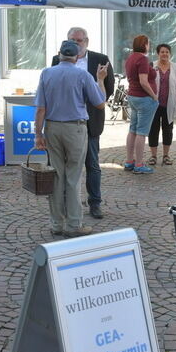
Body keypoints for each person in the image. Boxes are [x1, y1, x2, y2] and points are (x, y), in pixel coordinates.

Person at [36, 40, 108, 237]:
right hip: (75, 129)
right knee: (73, 177)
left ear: (59, 54)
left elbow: (40, 108)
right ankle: (74, 224)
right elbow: (100, 104)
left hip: (52, 127)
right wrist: (100, 79)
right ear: (76, 57)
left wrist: (38, 135)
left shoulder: (47, 73)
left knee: (56, 176)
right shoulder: (82, 74)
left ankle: (57, 223)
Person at [50, 27, 114, 219]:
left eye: (79, 40)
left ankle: (95, 202)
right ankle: (65, 203)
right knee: (63, 166)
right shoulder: (57, 59)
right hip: (66, 120)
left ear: (87, 41)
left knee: (92, 164)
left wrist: (93, 96)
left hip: (91, 118)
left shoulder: (101, 58)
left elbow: (108, 89)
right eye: (72, 40)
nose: (76, 43)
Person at [123, 34, 158, 174]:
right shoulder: (143, 59)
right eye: (148, 43)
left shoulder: (130, 58)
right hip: (144, 98)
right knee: (141, 133)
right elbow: (143, 81)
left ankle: (129, 161)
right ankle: (138, 164)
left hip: (133, 96)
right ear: (144, 45)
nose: (149, 45)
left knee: (133, 130)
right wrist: (154, 96)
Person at [147, 43, 176, 166]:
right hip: (154, 104)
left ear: (170, 54)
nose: (165, 54)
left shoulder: (175, 67)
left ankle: (166, 155)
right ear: (158, 54)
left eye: (167, 52)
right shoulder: (152, 66)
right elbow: (146, 82)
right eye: (162, 52)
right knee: (153, 129)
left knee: (168, 130)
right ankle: (153, 156)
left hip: (170, 104)